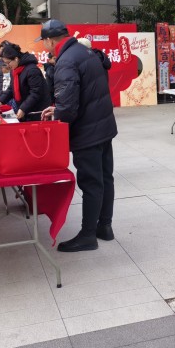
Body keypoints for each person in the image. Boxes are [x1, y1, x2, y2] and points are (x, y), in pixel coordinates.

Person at [39, 19, 118, 252]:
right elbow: (84, 92)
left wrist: (58, 113)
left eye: (43, 41)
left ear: (49, 40)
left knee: (91, 182)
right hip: (103, 125)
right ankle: (105, 226)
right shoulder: (85, 52)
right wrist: (59, 108)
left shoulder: (66, 61)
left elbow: (68, 108)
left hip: (87, 131)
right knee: (105, 178)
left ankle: (88, 235)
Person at [0, 42, 51, 121]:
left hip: (37, 111)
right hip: (25, 109)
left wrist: (23, 108)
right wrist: (0, 101)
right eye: (5, 63)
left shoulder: (31, 69)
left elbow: (35, 92)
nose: (7, 66)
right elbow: (11, 88)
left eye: (8, 62)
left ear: (16, 59)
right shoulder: (14, 70)